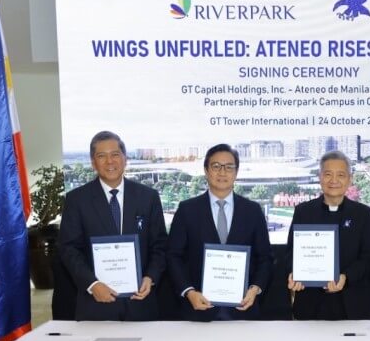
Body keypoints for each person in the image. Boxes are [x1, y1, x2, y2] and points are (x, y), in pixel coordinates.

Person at [59, 130, 167, 321]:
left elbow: (159, 245)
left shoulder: (148, 197)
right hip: (96, 305)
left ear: (125, 159)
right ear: (93, 163)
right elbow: (69, 249)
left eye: (115, 154)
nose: (110, 161)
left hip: (141, 304)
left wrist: (150, 277)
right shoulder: (77, 199)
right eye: (102, 156)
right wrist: (92, 284)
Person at [167, 144, 272, 321]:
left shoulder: (253, 211)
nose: (222, 172)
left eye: (229, 167)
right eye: (216, 166)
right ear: (206, 171)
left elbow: (265, 258)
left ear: (236, 172)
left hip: (244, 311)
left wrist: (255, 289)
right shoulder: (187, 210)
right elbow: (173, 256)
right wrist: (189, 291)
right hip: (197, 311)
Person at [286, 151, 370, 320]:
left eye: (341, 175)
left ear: (350, 179)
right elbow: (291, 252)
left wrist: (346, 277)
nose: (334, 180)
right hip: (310, 304)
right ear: (320, 177)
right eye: (328, 174)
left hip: (352, 305)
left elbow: (369, 258)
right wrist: (294, 273)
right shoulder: (304, 211)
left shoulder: (362, 214)